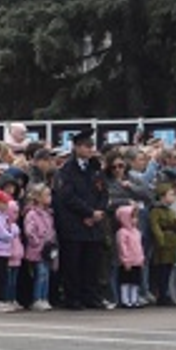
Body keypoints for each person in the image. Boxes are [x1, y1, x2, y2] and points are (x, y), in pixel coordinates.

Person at [53, 131, 110, 310]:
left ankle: (90, 295)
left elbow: (103, 192)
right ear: (76, 148)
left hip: (93, 224)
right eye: (86, 146)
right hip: (74, 223)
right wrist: (88, 212)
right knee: (73, 263)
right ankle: (73, 297)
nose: (89, 150)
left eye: (91, 146)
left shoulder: (95, 168)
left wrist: (98, 212)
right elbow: (67, 197)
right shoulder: (67, 170)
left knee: (91, 263)